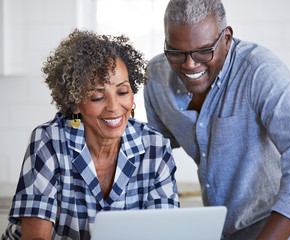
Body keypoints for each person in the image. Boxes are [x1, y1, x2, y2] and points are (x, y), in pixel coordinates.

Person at [144, 0, 290, 239]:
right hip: (227, 230)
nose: (190, 65)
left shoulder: (260, 71)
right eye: (176, 52)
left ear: (227, 38)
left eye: (204, 51)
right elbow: (154, 156)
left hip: (283, 228)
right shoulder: (156, 78)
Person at [2, 29, 179, 240]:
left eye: (122, 92)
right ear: (75, 102)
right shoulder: (49, 141)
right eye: (97, 97)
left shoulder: (155, 147)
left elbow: (166, 233)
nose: (114, 107)